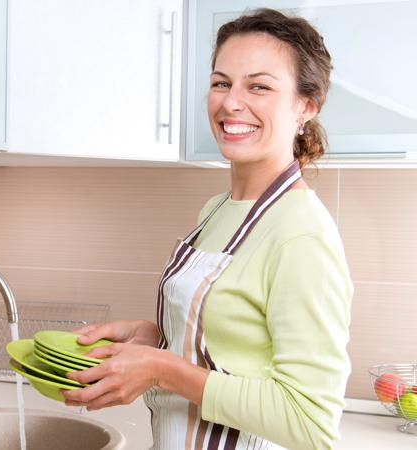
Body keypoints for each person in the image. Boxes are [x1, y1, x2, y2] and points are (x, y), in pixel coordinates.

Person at [61, 8, 353, 450]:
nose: (231, 102)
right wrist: (159, 338)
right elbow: (237, 348)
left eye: (259, 86)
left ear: (306, 106)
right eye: (221, 83)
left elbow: (309, 420)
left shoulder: (301, 235)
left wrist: (162, 369)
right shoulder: (217, 210)